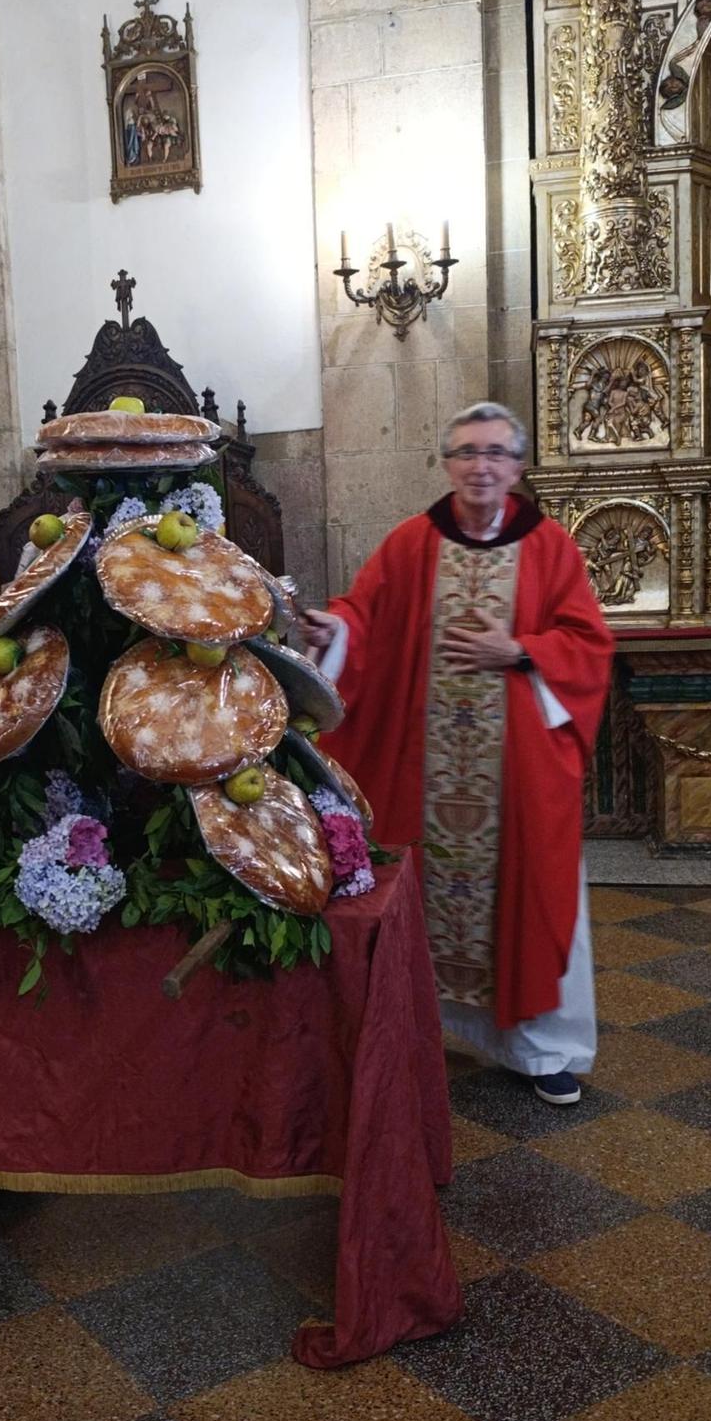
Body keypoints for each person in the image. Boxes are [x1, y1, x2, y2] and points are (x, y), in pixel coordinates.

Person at [301, 402, 615, 1104]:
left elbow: (590, 643)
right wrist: (333, 632)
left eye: (497, 454)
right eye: (468, 452)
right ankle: (414, 1036)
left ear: (518, 467)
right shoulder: (414, 542)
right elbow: (364, 612)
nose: (481, 467)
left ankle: (540, 1051)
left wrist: (523, 649)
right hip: (423, 775)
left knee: (533, 895)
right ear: (447, 463)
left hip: (520, 775)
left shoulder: (549, 546)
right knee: (413, 895)